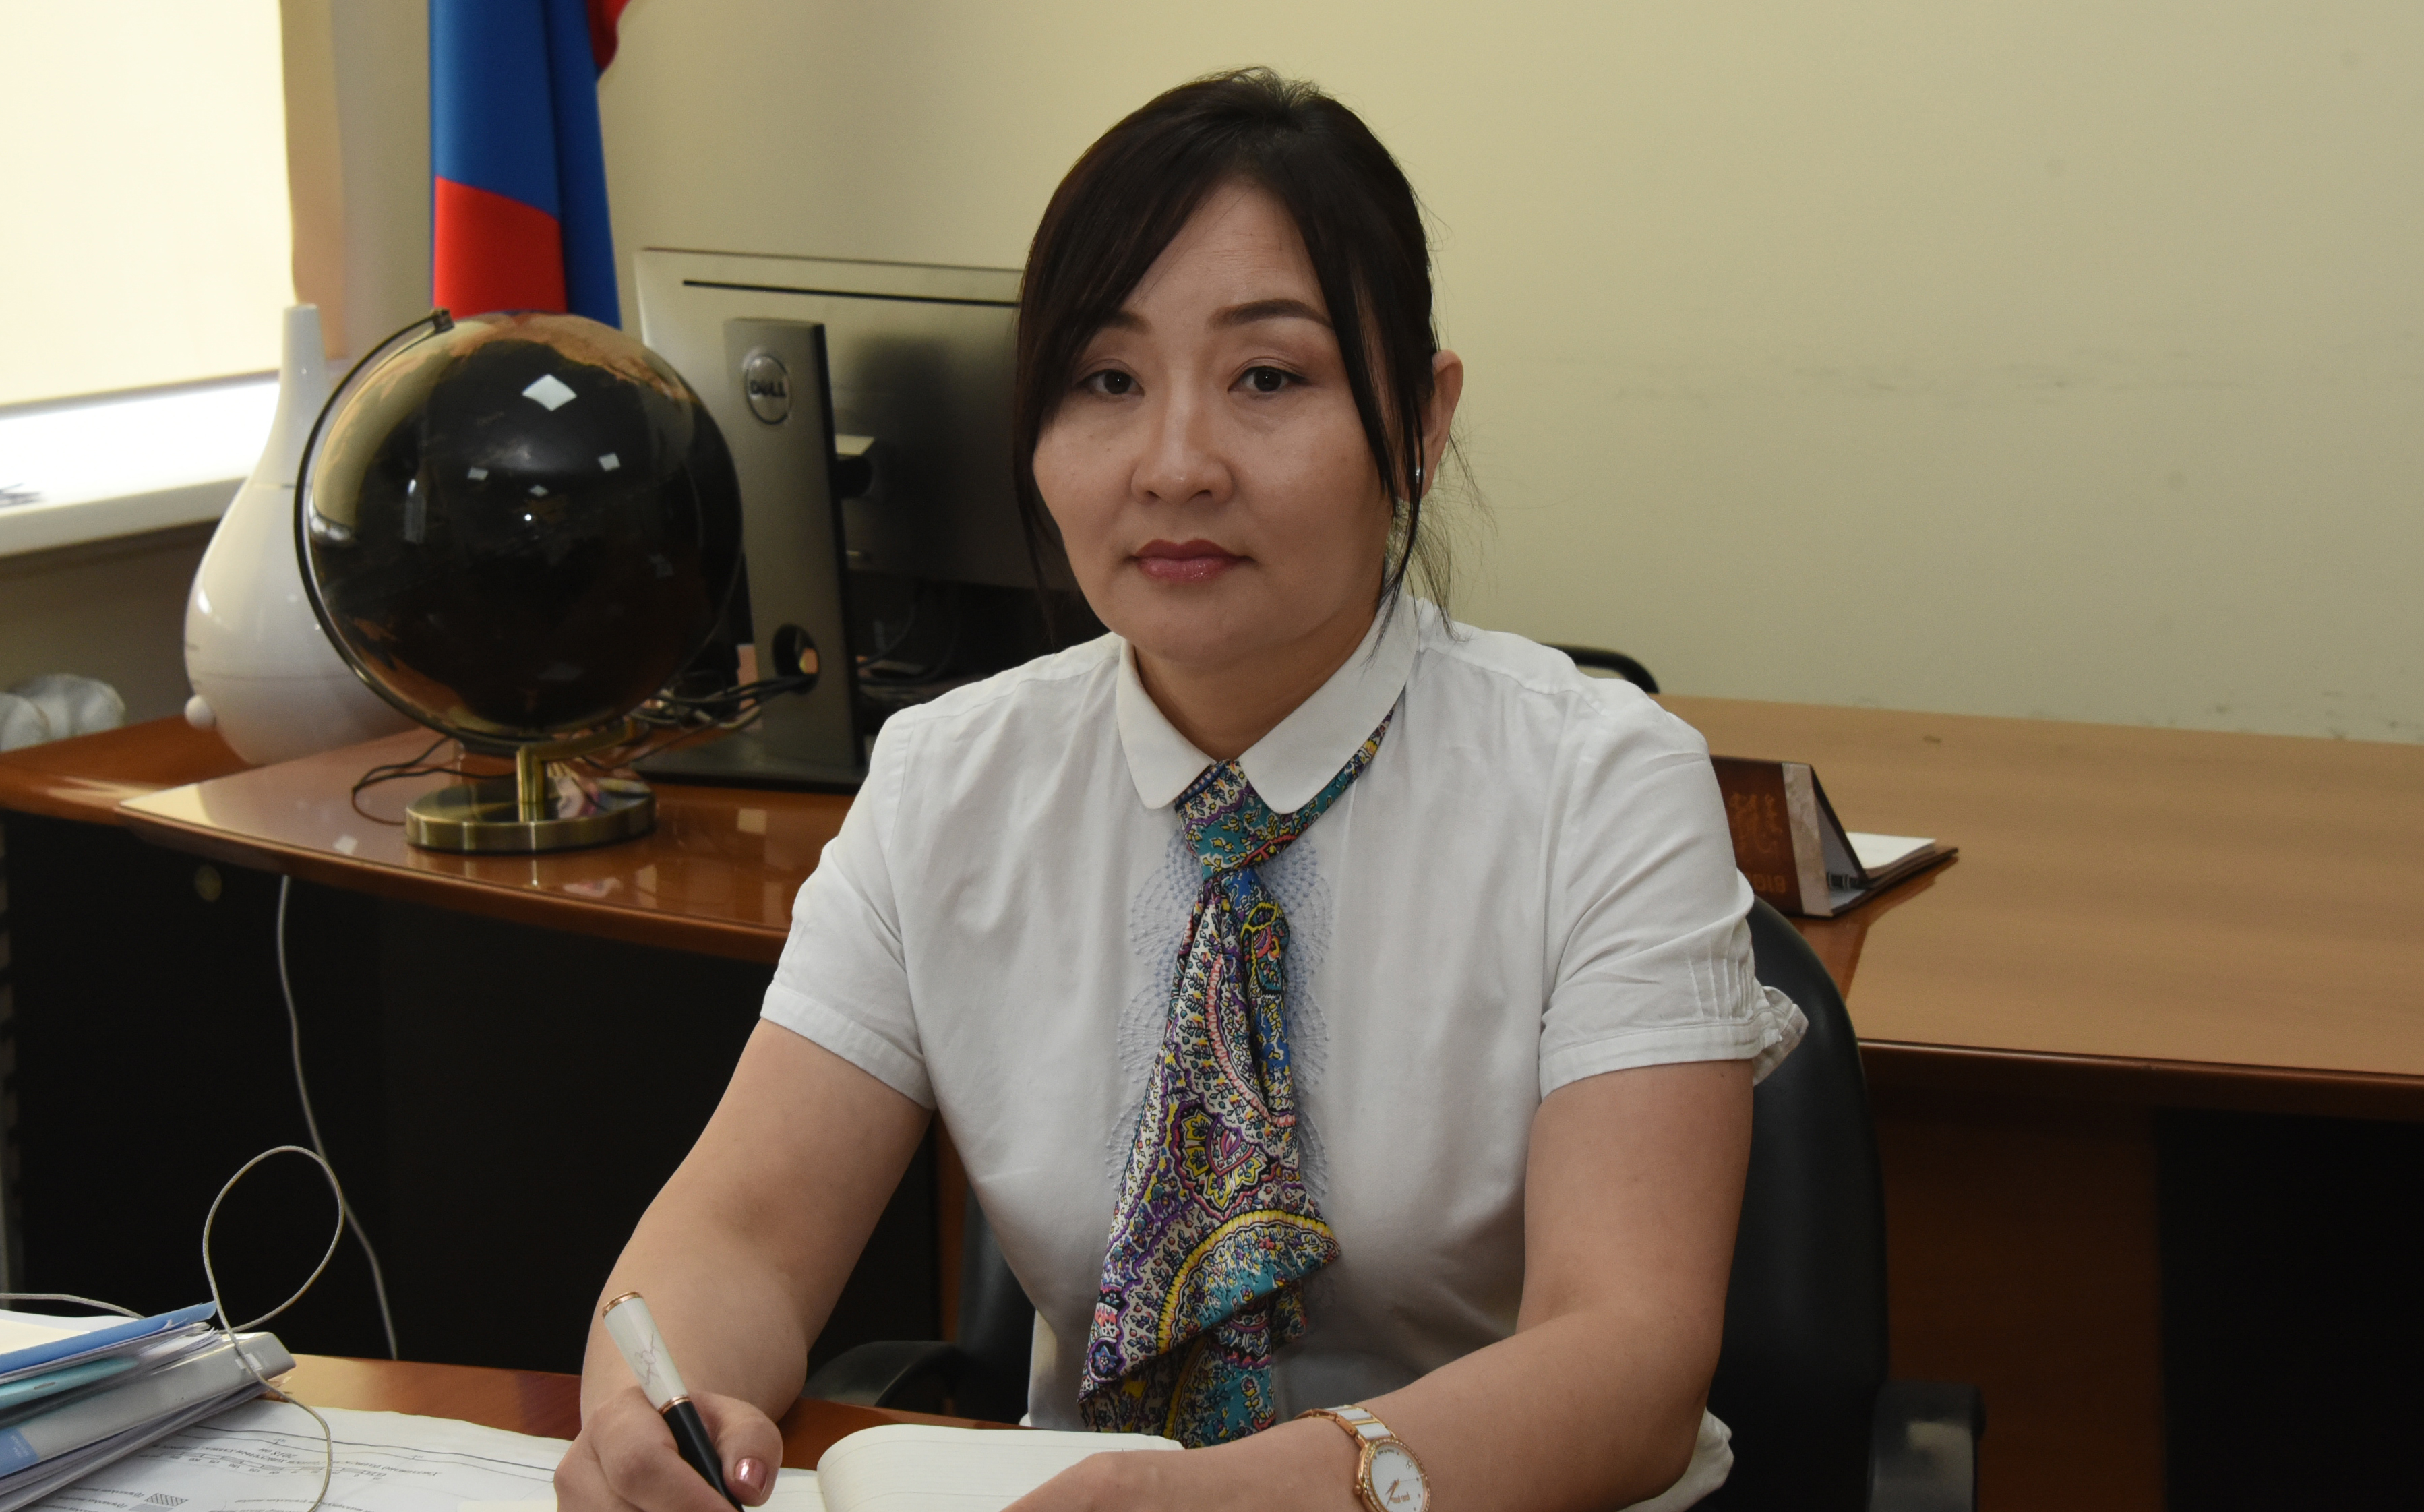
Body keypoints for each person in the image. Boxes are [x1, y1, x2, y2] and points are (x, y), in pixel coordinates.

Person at [557, 68, 1802, 1512]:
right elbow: (743, 1238)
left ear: (1419, 420)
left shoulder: (1603, 787)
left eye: (1268, 378)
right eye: (1105, 381)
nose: (1174, 465)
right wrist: (653, 1415)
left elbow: (1629, 1358)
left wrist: (1266, 1496)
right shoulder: (948, 784)